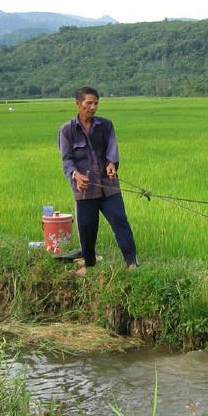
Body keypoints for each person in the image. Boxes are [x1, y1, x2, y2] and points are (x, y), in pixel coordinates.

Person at [58, 86, 138, 275]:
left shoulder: (106, 125)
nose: (93, 107)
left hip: (108, 185)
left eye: (96, 103)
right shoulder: (67, 130)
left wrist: (112, 164)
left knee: (119, 220)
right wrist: (75, 175)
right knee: (87, 227)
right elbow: (67, 160)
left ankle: (131, 261)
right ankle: (89, 263)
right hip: (84, 187)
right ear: (78, 104)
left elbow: (112, 148)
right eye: (88, 103)